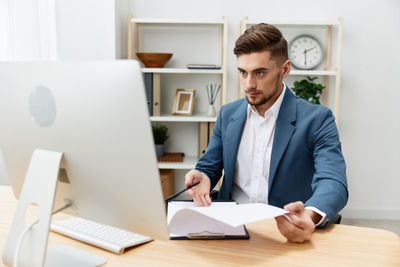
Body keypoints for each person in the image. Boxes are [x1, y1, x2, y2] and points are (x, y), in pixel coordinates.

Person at [184, 23, 348, 243]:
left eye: (260, 73)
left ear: (285, 70)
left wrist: (309, 216)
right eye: (243, 72)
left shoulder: (317, 119)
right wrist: (202, 177)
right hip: (230, 230)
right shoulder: (228, 114)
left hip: (285, 234)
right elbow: (209, 167)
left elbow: (333, 180)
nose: (249, 84)